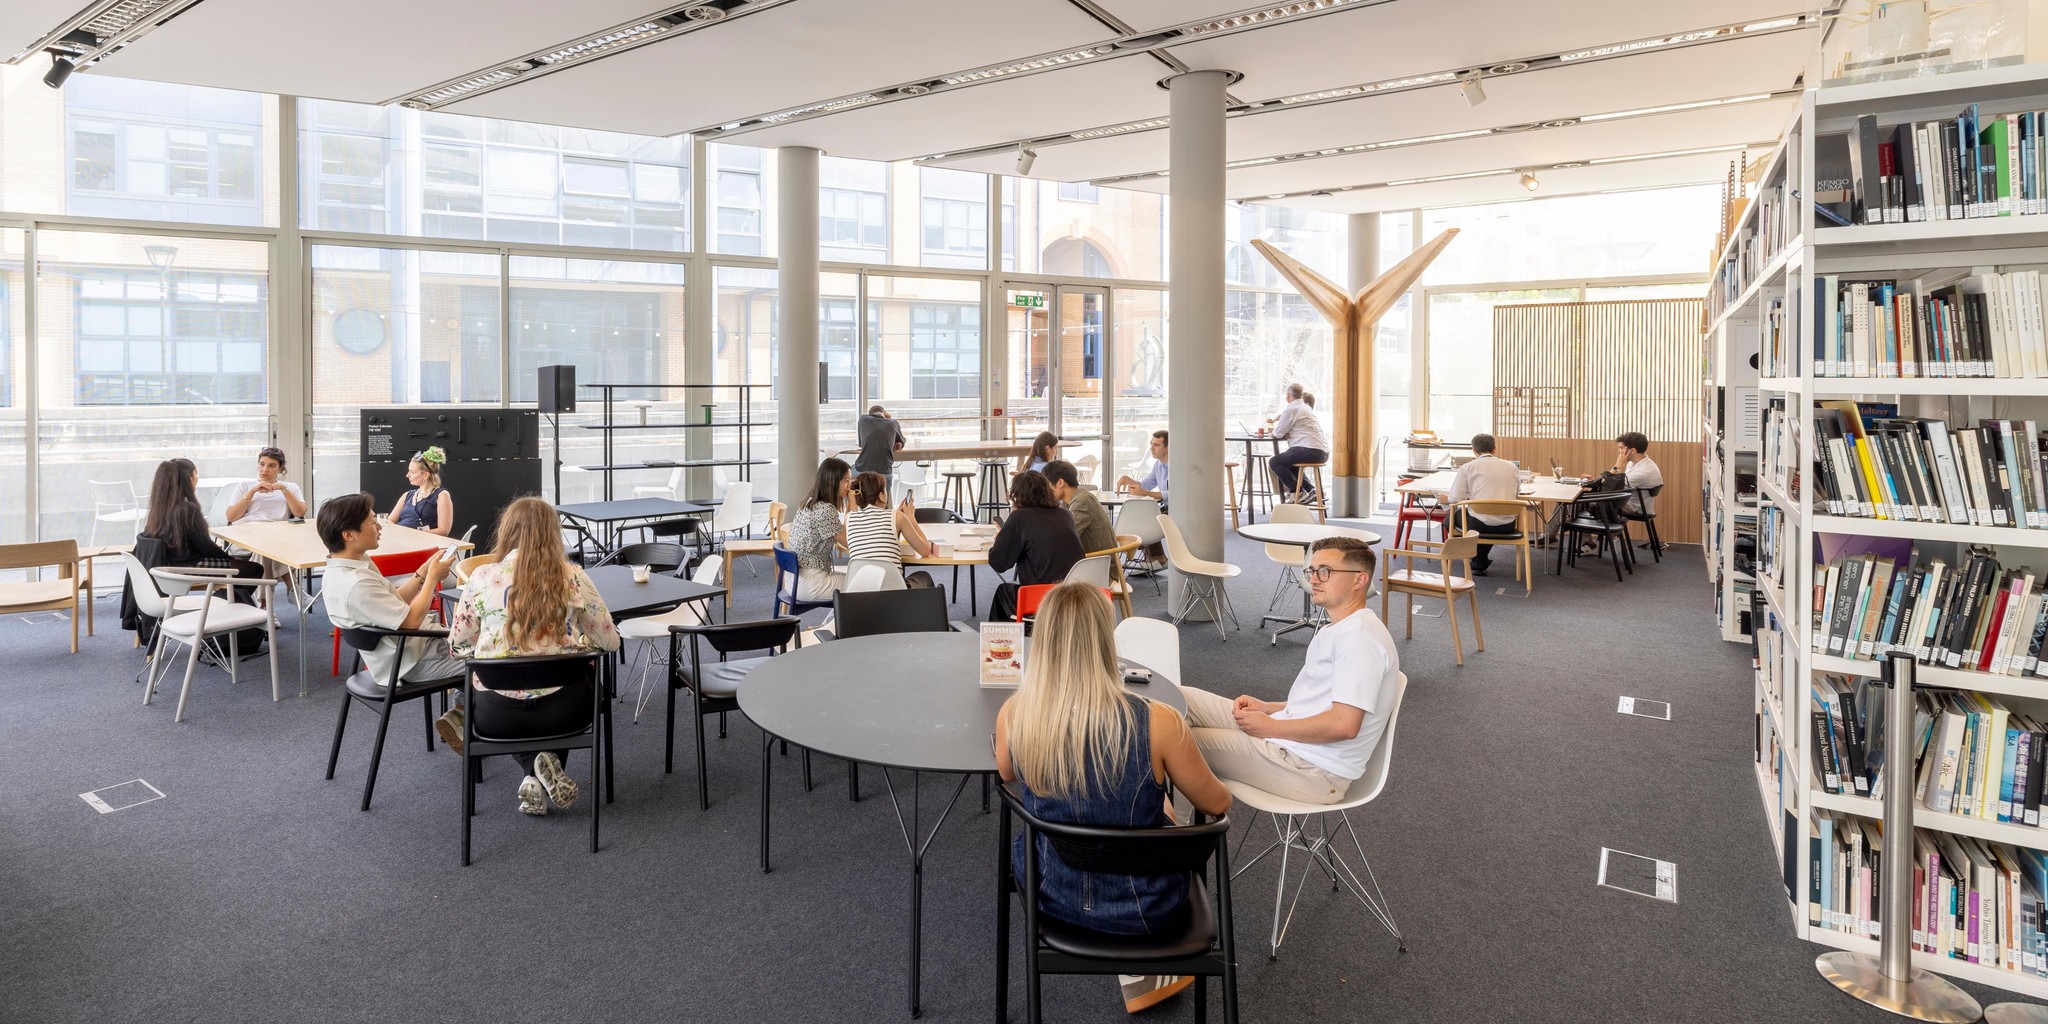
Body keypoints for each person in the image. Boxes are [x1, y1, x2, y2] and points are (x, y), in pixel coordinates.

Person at [994, 582, 1232, 1015]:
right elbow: (1217, 803)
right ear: (1107, 640)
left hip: (1051, 895)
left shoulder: (1015, 713)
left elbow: (1007, 773)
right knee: (1155, 807)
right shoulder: (1158, 721)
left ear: (1041, 639)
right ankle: (1149, 971)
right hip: (1150, 908)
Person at [1179, 537, 1400, 805]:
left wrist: (1272, 727)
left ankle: (1172, 834)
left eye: (1326, 571)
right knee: (1178, 700)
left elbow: (1344, 725)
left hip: (1311, 769)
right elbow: (1328, 702)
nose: (1314, 579)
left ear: (1359, 580)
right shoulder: (1343, 628)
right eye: (1311, 571)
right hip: (1291, 742)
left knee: (1172, 738)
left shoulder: (1358, 638)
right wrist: (1269, 708)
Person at [448, 496, 622, 816]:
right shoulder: (572, 576)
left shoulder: (482, 578)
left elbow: (457, 647)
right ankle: (539, 768)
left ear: (507, 532)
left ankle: (531, 769)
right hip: (566, 713)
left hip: (495, 716)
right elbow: (610, 642)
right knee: (584, 674)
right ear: (552, 534)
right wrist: (579, 643)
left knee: (471, 685)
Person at [317, 491, 468, 744]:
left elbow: (393, 602)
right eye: (372, 521)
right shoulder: (356, 584)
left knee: (480, 645)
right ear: (349, 534)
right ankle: (471, 723)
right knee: (490, 659)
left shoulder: (346, 568)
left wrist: (420, 574)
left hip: (405, 650)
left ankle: (461, 715)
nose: (379, 526)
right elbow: (409, 622)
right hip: (412, 660)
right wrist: (432, 579)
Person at [120, 458, 266, 647]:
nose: (197, 480)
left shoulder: (159, 508)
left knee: (237, 569)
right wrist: (229, 558)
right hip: (187, 567)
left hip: (167, 566)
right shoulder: (187, 508)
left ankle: (227, 610)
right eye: (196, 475)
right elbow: (206, 548)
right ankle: (223, 616)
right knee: (253, 569)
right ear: (188, 479)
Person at [987, 471, 1086, 621]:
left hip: (1043, 598)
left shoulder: (1020, 518)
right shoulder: (1064, 515)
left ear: (1016, 495)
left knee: (1003, 592)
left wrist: (1001, 537)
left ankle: (1004, 643)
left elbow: (999, 563)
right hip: (1075, 595)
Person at [1440, 432, 1523, 577]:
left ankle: (1476, 558)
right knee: (1484, 518)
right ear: (1494, 449)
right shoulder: (1512, 467)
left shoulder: (1468, 468)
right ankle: (1478, 560)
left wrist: (1446, 499)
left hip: (1479, 525)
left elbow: (1455, 498)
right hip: (1507, 525)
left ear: (1473, 450)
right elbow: (1516, 494)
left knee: (1450, 520)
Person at [843, 471, 936, 589]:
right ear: (881, 495)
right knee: (924, 576)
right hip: (893, 594)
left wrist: (896, 517)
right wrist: (910, 518)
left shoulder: (849, 518)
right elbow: (925, 550)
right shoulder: (897, 517)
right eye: (886, 491)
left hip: (860, 594)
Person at [787, 458, 853, 601]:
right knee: (865, 584)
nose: (850, 486)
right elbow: (850, 542)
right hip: (810, 582)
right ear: (833, 481)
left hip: (794, 579)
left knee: (855, 578)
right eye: (846, 480)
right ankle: (833, 624)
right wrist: (852, 507)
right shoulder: (825, 509)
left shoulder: (810, 501)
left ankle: (829, 624)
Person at [1267, 383, 1329, 502]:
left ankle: (1297, 492)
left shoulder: (1291, 409)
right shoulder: (1306, 408)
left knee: (1275, 462)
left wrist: (1278, 432)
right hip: (1322, 453)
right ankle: (1310, 490)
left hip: (1308, 450)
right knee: (1290, 465)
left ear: (1288, 396)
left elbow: (1277, 433)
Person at [1042, 459, 1114, 554]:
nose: (1045, 490)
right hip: (1094, 561)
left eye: (1047, 485)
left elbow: (1064, 539)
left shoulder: (1081, 502)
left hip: (1097, 564)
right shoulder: (1079, 499)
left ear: (1060, 483)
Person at [223, 447, 307, 524]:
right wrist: (252, 491)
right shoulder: (244, 486)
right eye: (262, 464)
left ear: (280, 468)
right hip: (248, 527)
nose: (265, 469)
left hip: (278, 530)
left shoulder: (291, 487)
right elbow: (231, 517)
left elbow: (300, 513)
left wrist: (283, 488)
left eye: (272, 466)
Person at [389, 446, 454, 537]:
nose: (407, 475)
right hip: (401, 540)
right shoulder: (407, 495)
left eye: (412, 472)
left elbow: (443, 531)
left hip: (423, 544)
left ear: (425, 475)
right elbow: (389, 521)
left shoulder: (441, 495)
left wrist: (413, 534)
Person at [1115, 430, 1170, 511]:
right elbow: (1145, 485)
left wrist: (1147, 493)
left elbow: (1174, 494)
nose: (1151, 448)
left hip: (1177, 513)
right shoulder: (1158, 465)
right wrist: (1128, 479)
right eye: (1151, 444)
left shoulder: (1178, 467)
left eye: (1156, 445)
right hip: (1164, 510)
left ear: (1168, 448)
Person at [1612, 432, 1664, 514]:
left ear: (1632, 450)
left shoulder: (1644, 471)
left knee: (1591, 502)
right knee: (1593, 500)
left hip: (1634, 507)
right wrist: (1595, 482)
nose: (1619, 451)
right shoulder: (1634, 463)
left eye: (1621, 448)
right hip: (1626, 500)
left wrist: (1617, 465)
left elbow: (1611, 487)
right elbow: (1614, 483)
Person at [854, 404, 906, 479]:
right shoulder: (893, 423)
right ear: (884, 413)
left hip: (863, 470)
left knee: (849, 471)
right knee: (885, 489)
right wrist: (888, 418)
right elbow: (902, 441)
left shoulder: (863, 419)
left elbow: (861, 444)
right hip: (885, 471)